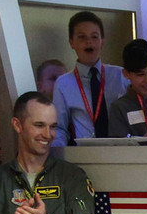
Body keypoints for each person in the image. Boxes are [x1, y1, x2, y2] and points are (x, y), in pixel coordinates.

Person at [51, 10, 129, 145]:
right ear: (71, 42)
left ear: (102, 41)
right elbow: (59, 128)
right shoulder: (63, 83)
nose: (89, 42)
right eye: (82, 37)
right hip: (84, 154)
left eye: (94, 37)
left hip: (120, 151)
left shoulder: (121, 75)